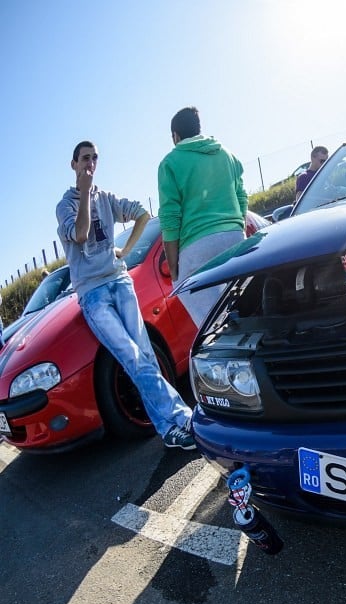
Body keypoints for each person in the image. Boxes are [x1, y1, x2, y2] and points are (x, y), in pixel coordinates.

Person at [55, 141, 196, 450]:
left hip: (120, 281)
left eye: (94, 158)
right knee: (131, 357)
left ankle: (167, 430)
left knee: (145, 355)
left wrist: (126, 250)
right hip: (93, 294)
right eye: (84, 159)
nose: (90, 163)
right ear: (74, 165)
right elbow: (80, 234)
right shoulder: (65, 205)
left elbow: (143, 214)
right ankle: (182, 417)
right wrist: (83, 194)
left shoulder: (107, 198)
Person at [158, 106, 248, 328]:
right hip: (236, 237)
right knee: (242, 305)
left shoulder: (170, 163)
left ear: (175, 136)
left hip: (197, 244)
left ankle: (221, 344)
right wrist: (239, 229)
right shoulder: (227, 154)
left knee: (211, 322)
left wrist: (174, 267)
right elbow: (242, 197)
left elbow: (170, 218)